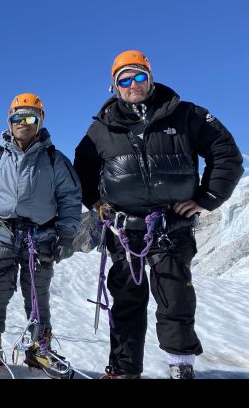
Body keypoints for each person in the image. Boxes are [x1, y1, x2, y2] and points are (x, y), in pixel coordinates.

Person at [73, 50, 243, 379]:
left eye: (139, 76)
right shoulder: (101, 130)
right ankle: (123, 370)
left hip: (171, 227)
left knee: (174, 298)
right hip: (124, 231)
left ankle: (181, 366)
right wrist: (94, 201)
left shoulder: (186, 115)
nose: (133, 83)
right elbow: (81, 169)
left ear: (150, 78)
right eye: (125, 79)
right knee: (126, 302)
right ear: (115, 86)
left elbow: (226, 154)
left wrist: (207, 198)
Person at [0, 93, 82, 378]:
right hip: (3, 235)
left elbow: (70, 198)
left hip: (41, 238)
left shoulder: (55, 160)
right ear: (10, 120)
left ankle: (39, 348)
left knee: (38, 297)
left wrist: (66, 235)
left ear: (40, 121)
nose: (24, 122)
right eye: (18, 117)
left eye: (31, 117)